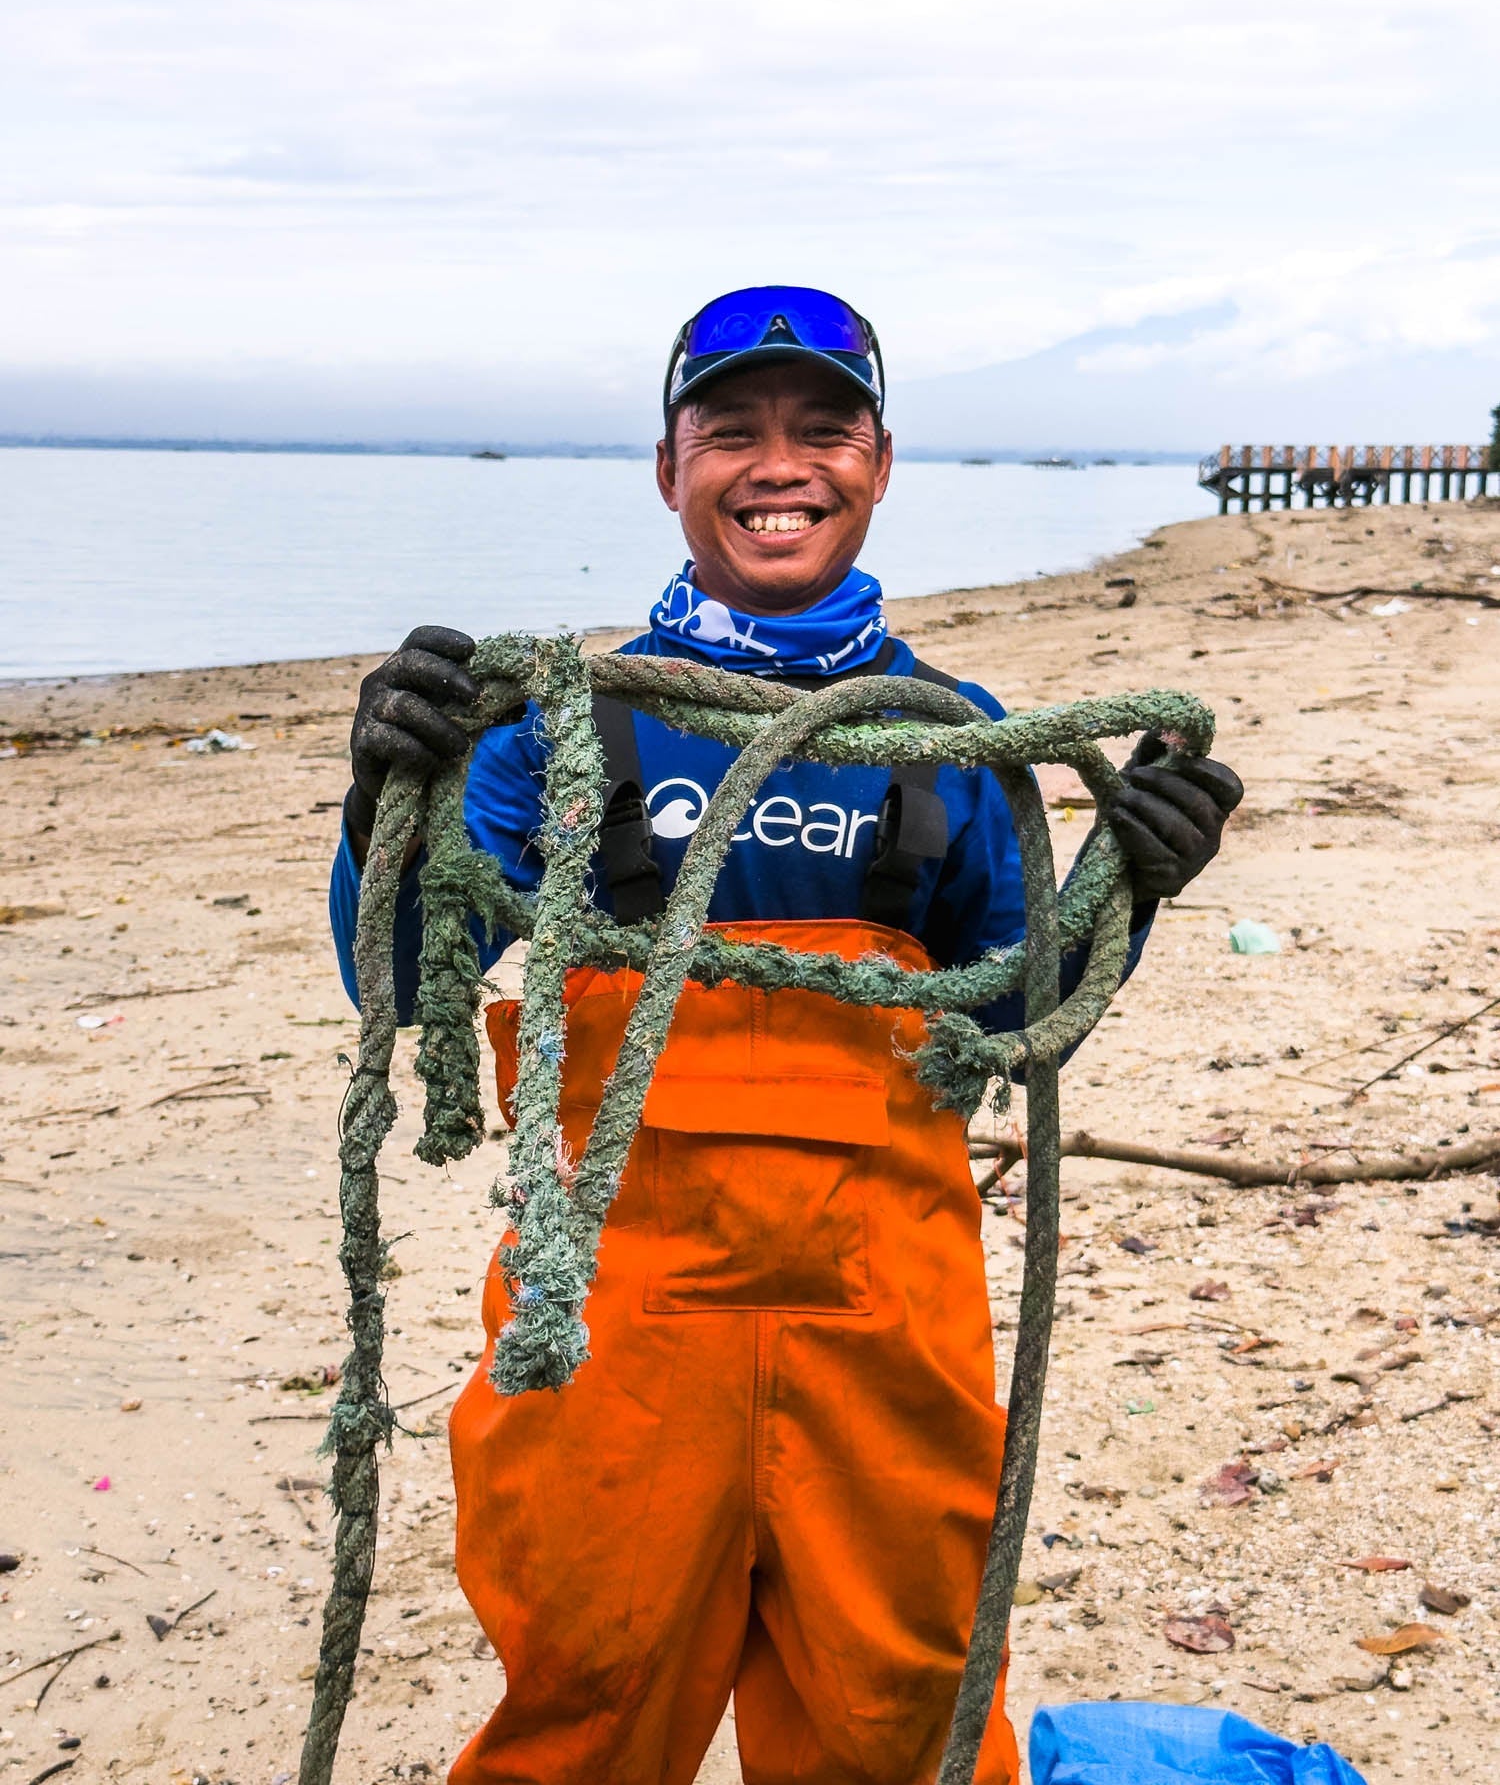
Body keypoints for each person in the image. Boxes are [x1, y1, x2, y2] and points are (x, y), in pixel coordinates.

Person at [329, 286, 1242, 1785]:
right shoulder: (560, 724)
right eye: (731, 431)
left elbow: (1017, 1015)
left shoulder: (954, 734)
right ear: (669, 467)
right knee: (584, 1707)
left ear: (879, 465)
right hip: (605, 1332)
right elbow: (403, 986)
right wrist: (384, 807)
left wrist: (1126, 886)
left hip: (889, 1326)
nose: (779, 466)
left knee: (900, 1717)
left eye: (824, 429)